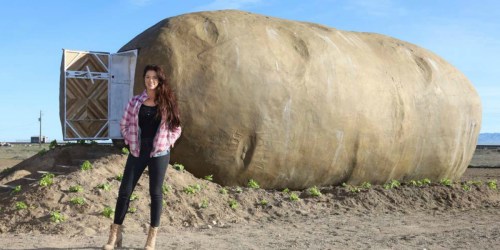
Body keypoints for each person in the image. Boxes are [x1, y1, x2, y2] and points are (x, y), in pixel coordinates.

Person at [103, 64, 182, 250]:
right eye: (147, 77)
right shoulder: (135, 102)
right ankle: (115, 235)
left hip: (159, 153)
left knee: (155, 193)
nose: (150, 80)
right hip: (138, 151)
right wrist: (130, 141)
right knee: (124, 192)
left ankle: (151, 238)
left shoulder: (167, 103)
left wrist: (169, 140)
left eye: (154, 77)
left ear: (159, 80)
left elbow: (177, 127)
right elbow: (124, 124)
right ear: (144, 79)